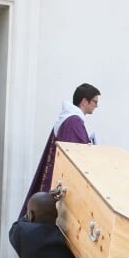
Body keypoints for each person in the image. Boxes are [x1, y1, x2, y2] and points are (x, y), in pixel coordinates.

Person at [20, 83, 101, 216]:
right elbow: (75, 153)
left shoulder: (70, 119)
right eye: (94, 102)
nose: (96, 106)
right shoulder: (73, 122)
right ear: (85, 101)